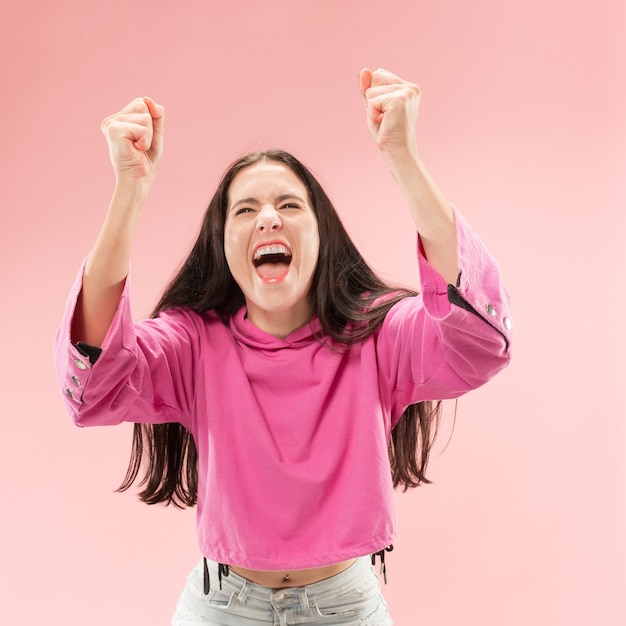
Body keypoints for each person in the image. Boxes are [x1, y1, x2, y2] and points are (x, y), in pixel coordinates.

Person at [54, 68, 512, 625]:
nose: (268, 216)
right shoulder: (192, 343)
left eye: (290, 206)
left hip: (345, 605)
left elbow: (479, 340)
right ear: (223, 247)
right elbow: (95, 380)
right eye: (245, 210)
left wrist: (403, 159)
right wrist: (129, 190)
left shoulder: (379, 335)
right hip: (222, 607)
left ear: (323, 236)